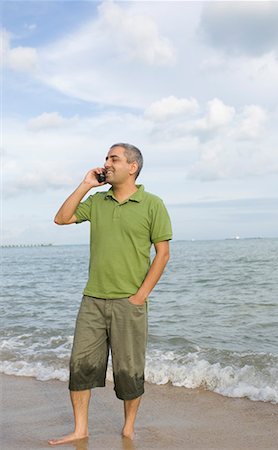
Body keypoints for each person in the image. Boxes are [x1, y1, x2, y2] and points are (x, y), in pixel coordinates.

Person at [48, 143, 172, 445]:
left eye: (113, 158)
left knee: (129, 370)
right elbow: (61, 219)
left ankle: (128, 428)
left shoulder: (153, 204)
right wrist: (86, 184)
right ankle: (81, 429)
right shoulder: (97, 202)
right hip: (92, 299)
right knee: (80, 366)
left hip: (129, 302)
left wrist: (139, 297)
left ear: (133, 167)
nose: (107, 163)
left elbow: (163, 254)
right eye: (106, 158)